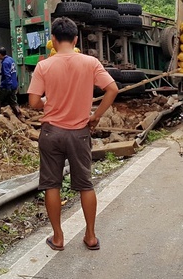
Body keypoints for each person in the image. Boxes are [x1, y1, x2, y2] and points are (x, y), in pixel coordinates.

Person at [27, 17, 118, 252]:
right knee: (86, 185)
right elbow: (112, 89)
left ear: (54, 40)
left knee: (51, 185)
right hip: (79, 133)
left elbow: (34, 101)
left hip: (51, 134)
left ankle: (58, 238)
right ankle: (90, 236)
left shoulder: (44, 66)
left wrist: (48, 101)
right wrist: (96, 116)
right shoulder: (90, 62)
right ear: (76, 39)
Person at [0, 46, 24, 121]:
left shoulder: (5, 62)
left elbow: (7, 75)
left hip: (6, 85)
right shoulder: (11, 60)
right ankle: (19, 116)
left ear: (0, 54)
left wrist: (8, 86)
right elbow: (11, 71)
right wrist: (0, 73)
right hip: (14, 84)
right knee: (13, 101)